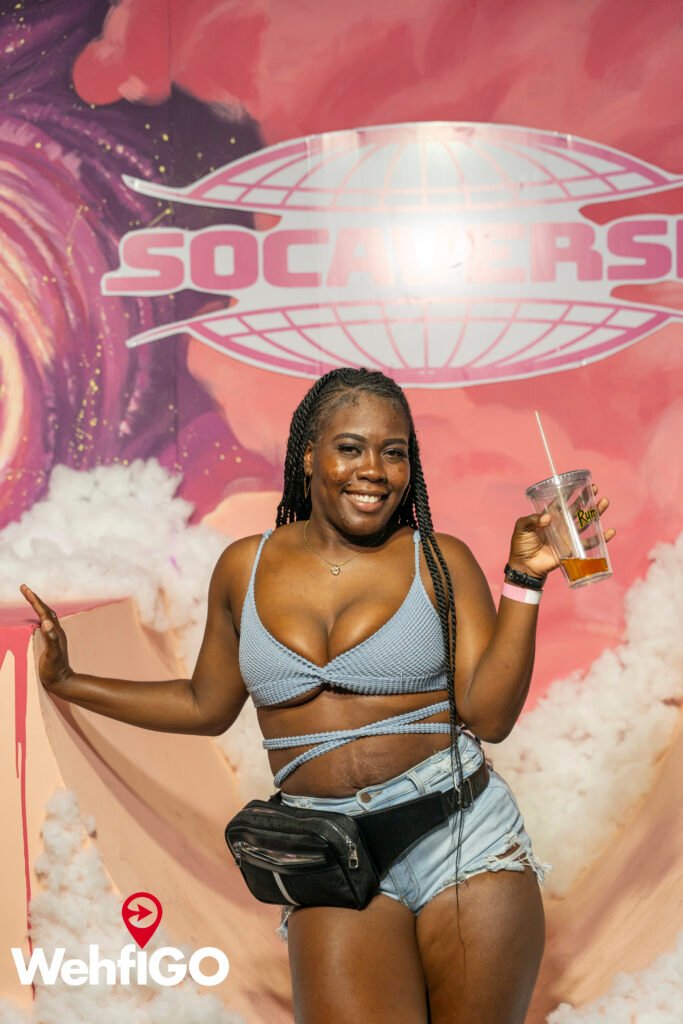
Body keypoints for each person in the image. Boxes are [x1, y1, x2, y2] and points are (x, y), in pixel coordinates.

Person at [21, 367, 615, 1024]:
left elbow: (490, 717)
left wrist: (523, 579)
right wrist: (70, 682)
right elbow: (204, 705)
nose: (374, 471)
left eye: (394, 452)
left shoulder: (440, 560)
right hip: (327, 852)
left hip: (461, 838)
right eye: (351, 447)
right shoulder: (243, 567)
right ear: (309, 455)